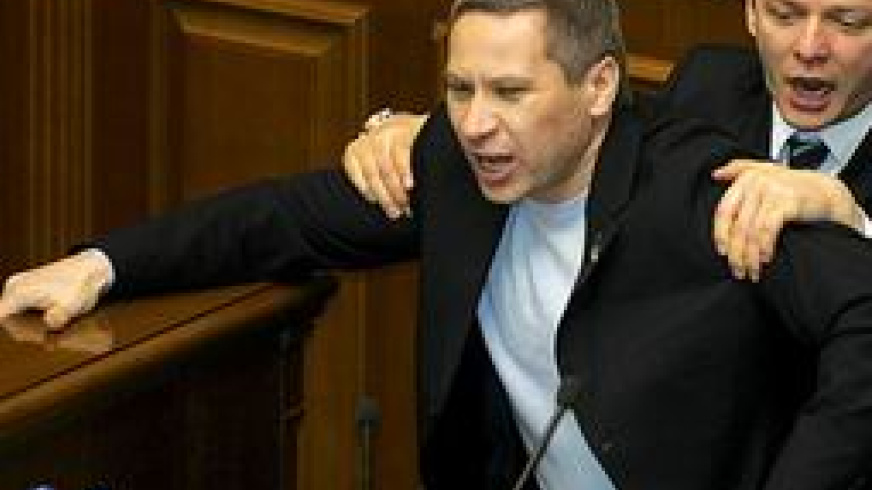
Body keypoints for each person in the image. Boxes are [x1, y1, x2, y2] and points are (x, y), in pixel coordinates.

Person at [2, 0, 872, 488]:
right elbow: (282, 218)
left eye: (510, 92)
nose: (477, 123)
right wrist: (100, 265)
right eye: (459, 89)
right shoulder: (458, 170)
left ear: (600, 86)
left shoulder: (704, 189)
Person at [344, 0, 872, 282]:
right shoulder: (705, 83)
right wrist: (420, 134)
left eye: (847, 23)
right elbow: (587, 132)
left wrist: (855, 224)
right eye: (785, 15)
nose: (810, 47)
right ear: (751, 13)